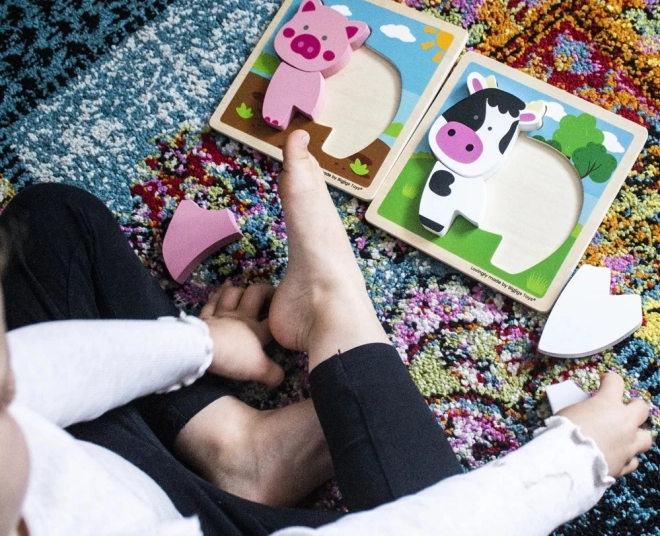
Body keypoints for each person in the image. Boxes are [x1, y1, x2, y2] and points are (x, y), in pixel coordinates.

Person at [0, 130, 653, 536]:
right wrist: (574, 463)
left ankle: (236, 447)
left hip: (105, 481)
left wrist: (199, 347)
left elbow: (32, 373)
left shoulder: (16, 432)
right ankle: (332, 301)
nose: (10, 386)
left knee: (49, 224)